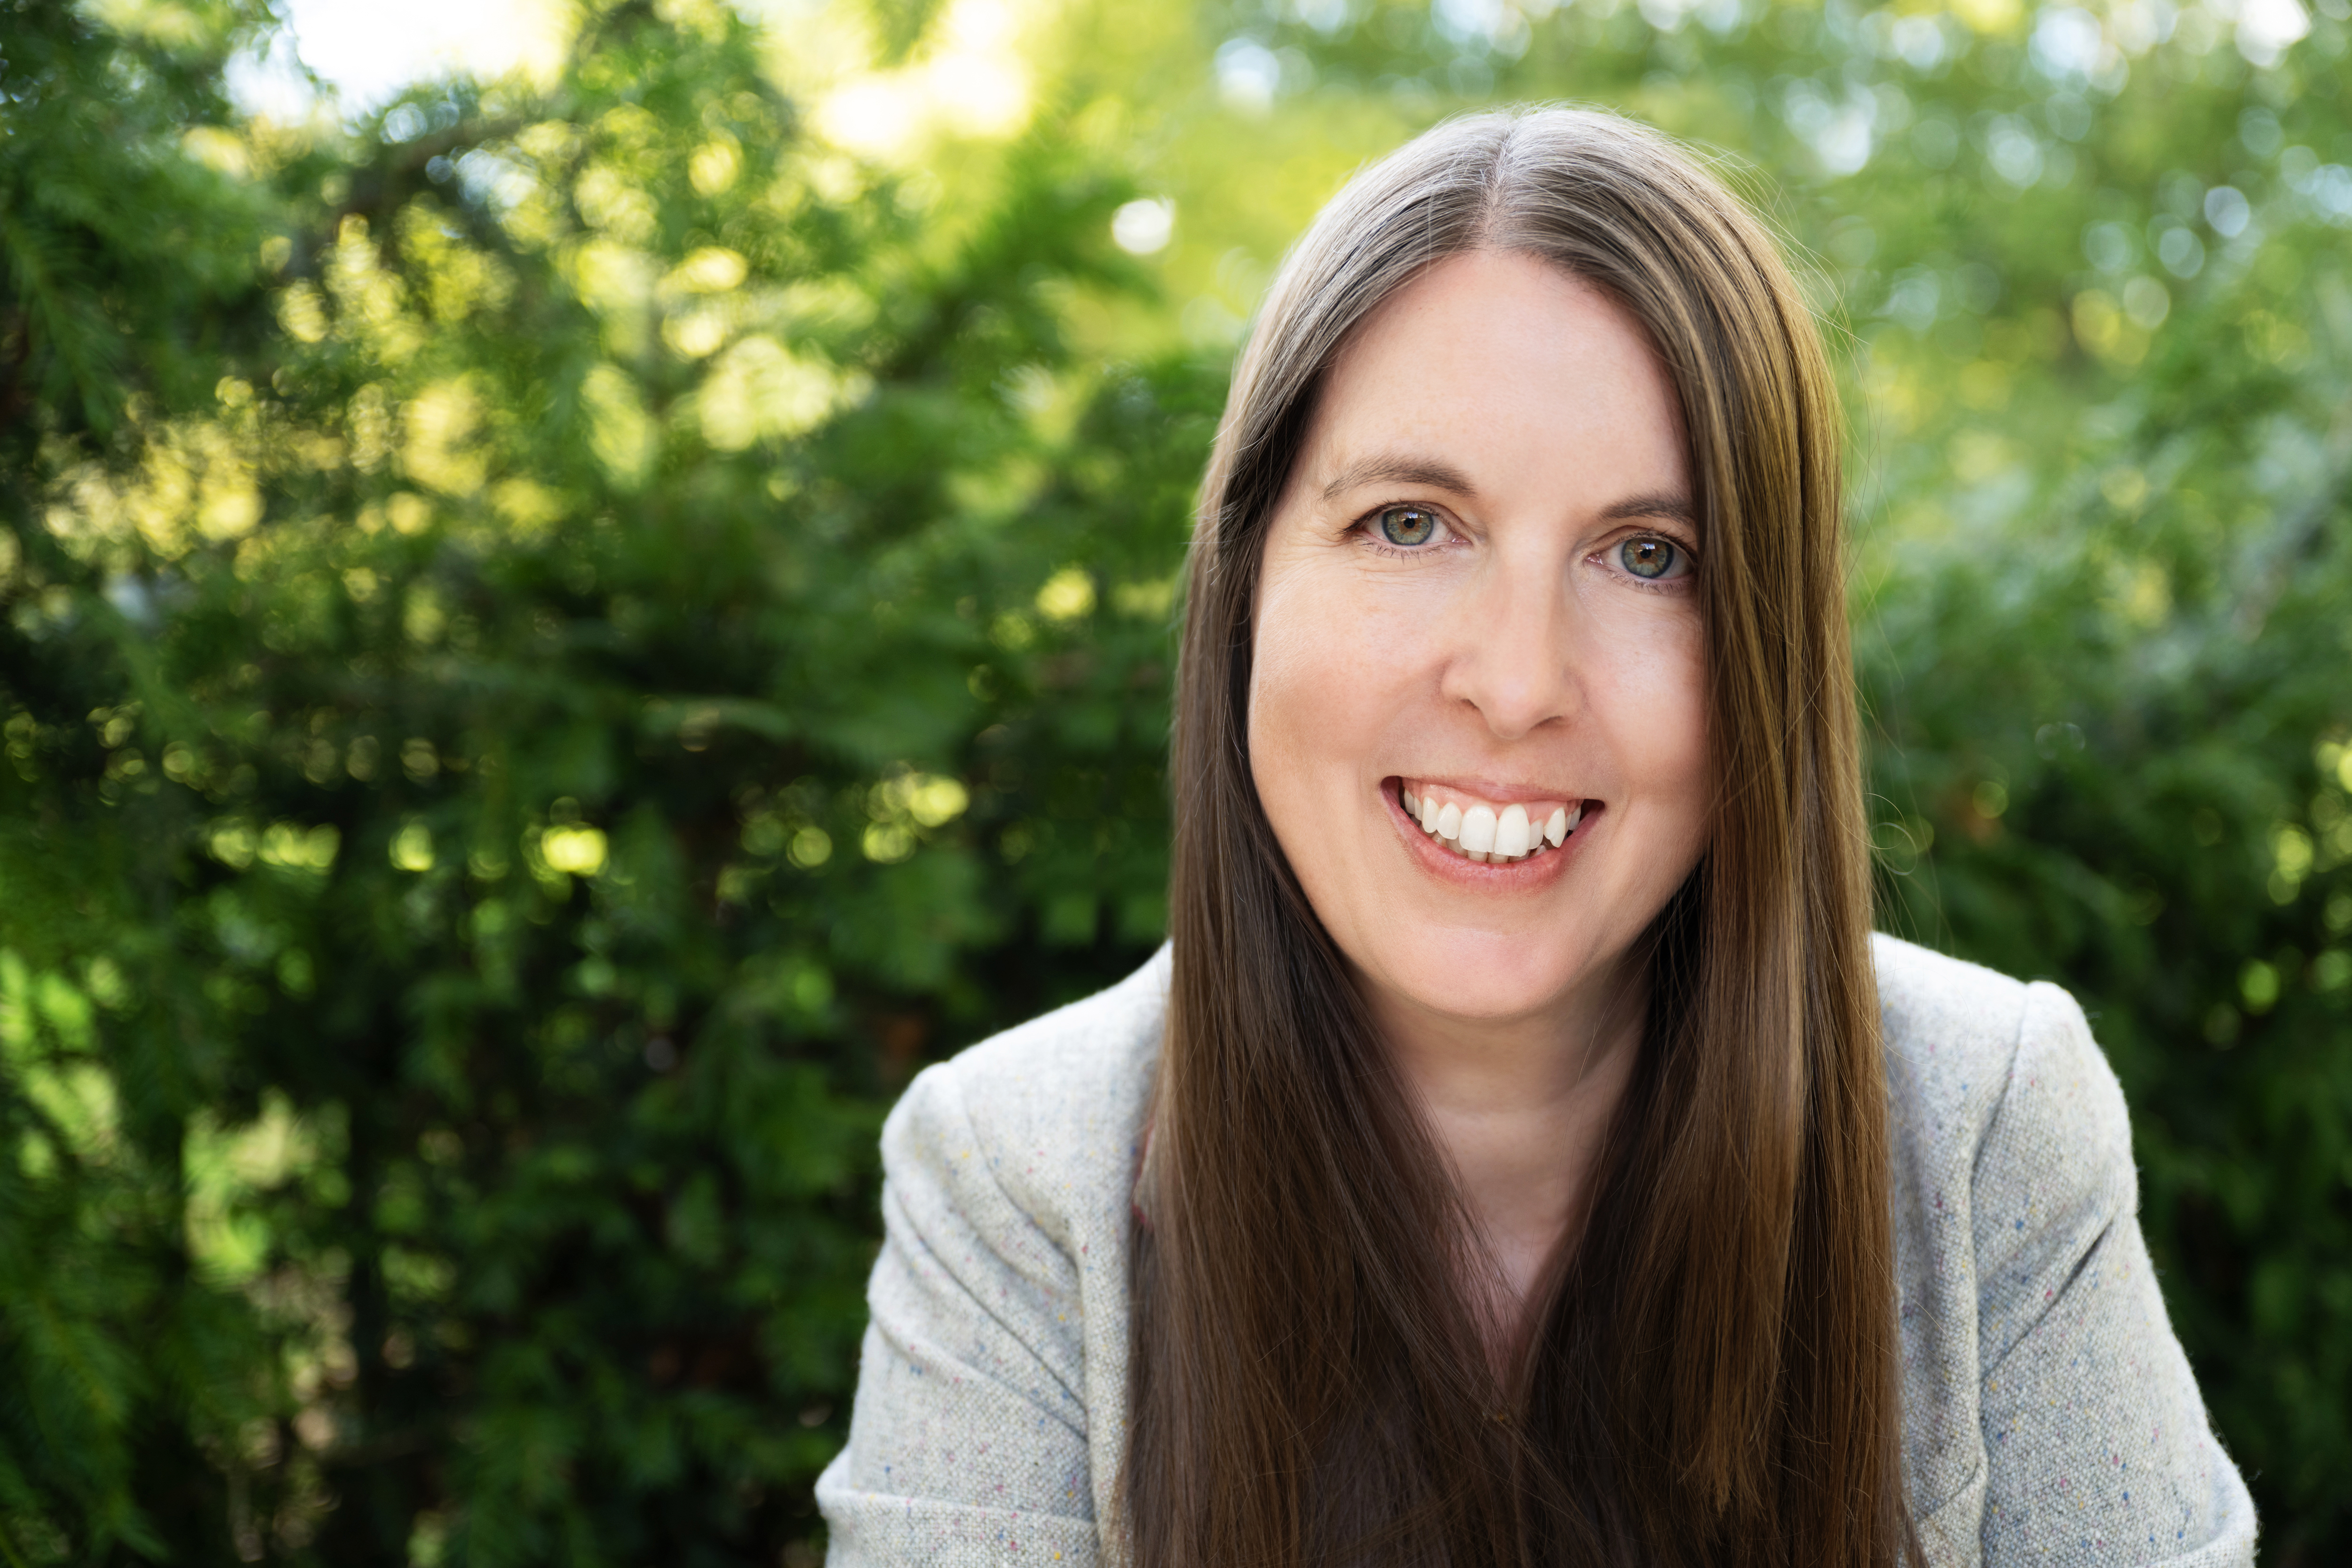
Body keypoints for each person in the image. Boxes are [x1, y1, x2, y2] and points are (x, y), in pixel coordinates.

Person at [814, 107, 2256, 1567]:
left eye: (1650, 557)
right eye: (1408, 524)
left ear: (1767, 655)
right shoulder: (1014, 1174)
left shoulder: (1985, 1121)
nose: (1514, 683)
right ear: (1245, 579)